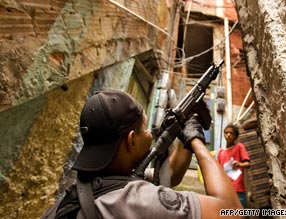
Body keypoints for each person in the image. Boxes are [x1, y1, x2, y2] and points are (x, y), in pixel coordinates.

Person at [42, 89, 243, 219]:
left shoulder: (70, 199)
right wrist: (197, 141)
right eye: (146, 129)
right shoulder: (137, 201)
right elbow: (232, 212)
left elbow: (170, 174)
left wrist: (185, 128)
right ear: (132, 140)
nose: (150, 134)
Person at [217, 124, 250, 208]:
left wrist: (239, 164)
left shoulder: (239, 147)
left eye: (231, 133)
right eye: (226, 132)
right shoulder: (221, 151)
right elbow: (219, 169)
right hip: (225, 187)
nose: (228, 135)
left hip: (237, 186)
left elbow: (248, 164)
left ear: (236, 136)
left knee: (240, 210)